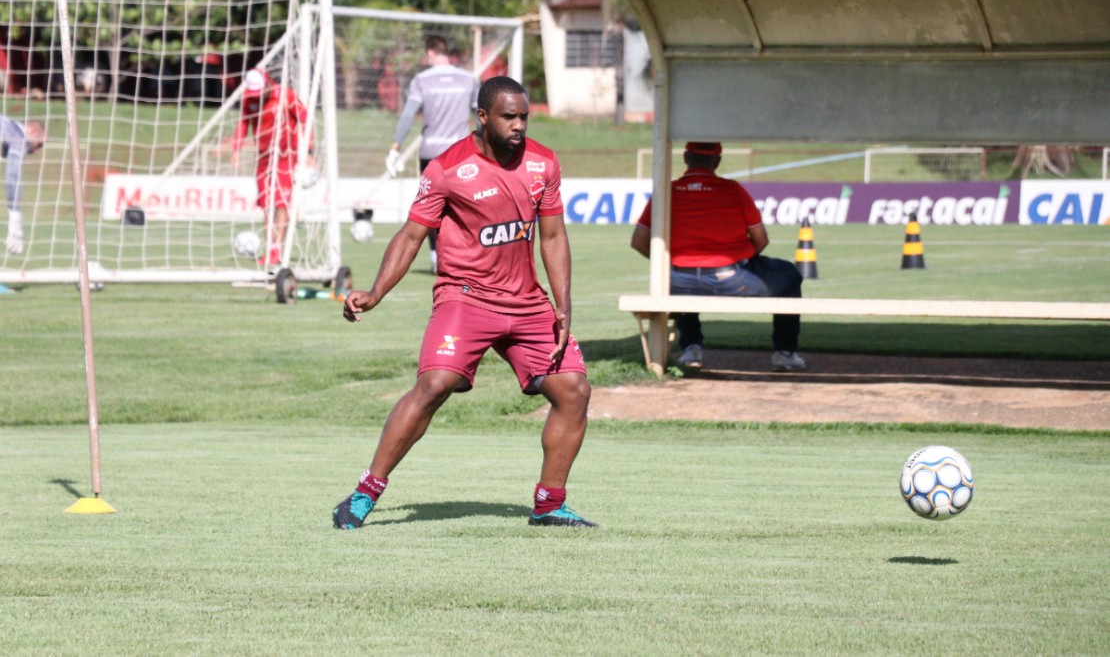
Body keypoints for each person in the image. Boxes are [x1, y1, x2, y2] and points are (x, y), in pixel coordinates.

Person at [332, 76, 597, 529]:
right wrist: (376, 292)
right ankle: (363, 493)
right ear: (483, 117)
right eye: (509, 117)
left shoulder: (544, 163)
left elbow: (553, 237)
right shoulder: (446, 169)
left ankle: (549, 505)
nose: (519, 125)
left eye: (524, 117)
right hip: (466, 298)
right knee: (435, 384)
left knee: (574, 391)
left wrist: (562, 304)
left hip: (526, 303)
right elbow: (411, 236)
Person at [630, 141, 806, 372]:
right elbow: (761, 240)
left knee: (686, 285)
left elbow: (638, 241)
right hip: (732, 278)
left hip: (678, 280)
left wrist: (670, 264)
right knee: (789, 274)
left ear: (685, 158)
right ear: (717, 161)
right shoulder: (733, 190)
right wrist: (743, 260)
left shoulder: (667, 192)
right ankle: (784, 353)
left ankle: (691, 349)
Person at [385, 35, 480, 272]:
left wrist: (396, 147)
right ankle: (468, 256)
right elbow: (481, 116)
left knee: (430, 206)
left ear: (429, 54)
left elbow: (408, 115)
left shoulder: (422, 80)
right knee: (467, 205)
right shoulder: (468, 79)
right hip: (462, 153)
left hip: (432, 153)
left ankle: (436, 257)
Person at [230, 68, 313, 266]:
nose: (258, 97)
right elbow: (243, 123)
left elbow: (304, 119)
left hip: (286, 157)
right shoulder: (248, 99)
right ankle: (270, 248)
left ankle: (277, 249)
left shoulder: (286, 96)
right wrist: (236, 149)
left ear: (268, 84)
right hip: (263, 158)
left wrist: (309, 149)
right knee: (267, 204)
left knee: (281, 202)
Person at [2, 116, 46, 255]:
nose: (35, 151)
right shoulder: (18, 136)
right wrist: (14, 222)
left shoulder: (7, 128)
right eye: (39, 145)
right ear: (30, 130)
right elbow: (12, 177)